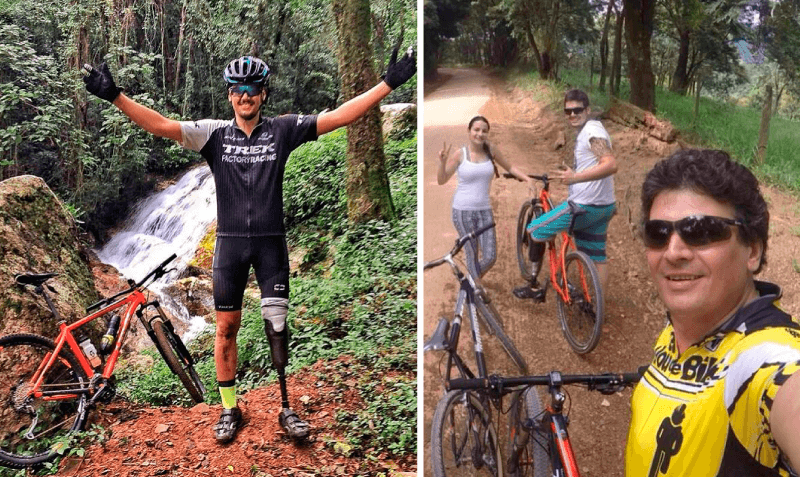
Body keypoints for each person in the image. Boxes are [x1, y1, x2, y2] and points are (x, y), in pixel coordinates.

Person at [83, 48, 415, 443]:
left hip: (271, 246)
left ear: (263, 94)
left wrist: (388, 84)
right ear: (229, 95)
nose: (246, 96)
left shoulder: (283, 130)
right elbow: (161, 126)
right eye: (238, 89)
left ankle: (286, 408)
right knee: (225, 328)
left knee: (277, 327)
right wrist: (115, 96)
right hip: (230, 248)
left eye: (253, 89)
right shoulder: (214, 135)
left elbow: (339, 116)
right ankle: (229, 408)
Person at [626, 149, 800, 476]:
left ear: (752, 249)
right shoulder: (682, 328)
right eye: (658, 234)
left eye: (701, 231)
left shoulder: (763, 359)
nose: (673, 252)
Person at [513, 89, 617, 302]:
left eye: (577, 110)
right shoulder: (593, 130)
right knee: (597, 257)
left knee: (535, 230)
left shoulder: (591, 132)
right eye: (567, 111)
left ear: (587, 110)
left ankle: (533, 284)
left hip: (583, 207)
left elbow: (610, 163)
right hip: (604, 206)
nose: (572, 115)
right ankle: (597, 308)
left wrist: (575, 178)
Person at [437, 115, 535, 289]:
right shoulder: (461, 154)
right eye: (476, 130)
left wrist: (528, 179)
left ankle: (470, 279)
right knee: (472, 254)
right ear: (469, 131)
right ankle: (475, 293)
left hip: (484, 210)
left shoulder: (491, 150)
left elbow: (510, 167)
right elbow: (442, 180)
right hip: (462, 211)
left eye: (484, 131)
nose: (480, 134)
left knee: (490, 256)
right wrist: (442, 162)